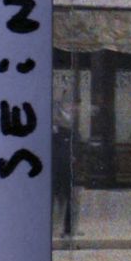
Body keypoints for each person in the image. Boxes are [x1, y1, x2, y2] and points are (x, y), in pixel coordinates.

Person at [52, 100, 77, 239]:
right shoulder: (45, 134)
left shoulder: (67, 132)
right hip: (51, 172)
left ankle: (67, 230)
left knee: (68, 200)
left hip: (64, 170)